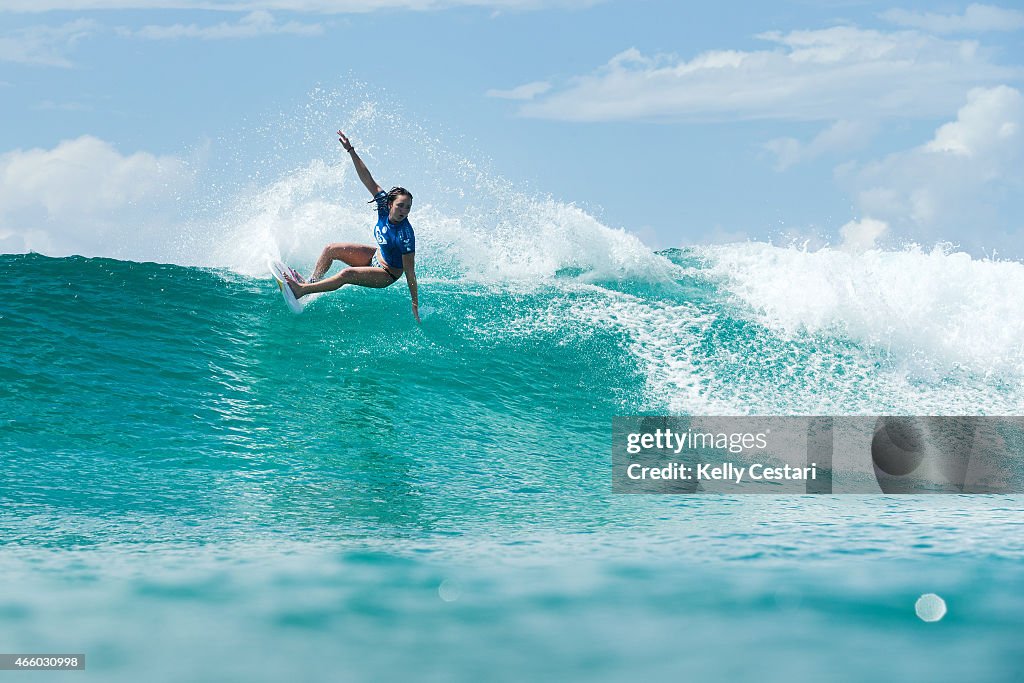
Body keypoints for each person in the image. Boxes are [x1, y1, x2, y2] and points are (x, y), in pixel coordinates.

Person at [284, 130, 420, 323]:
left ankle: (301, 290)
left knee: (346, 274)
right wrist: (351, 150)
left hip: (386, 274)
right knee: (331, 249)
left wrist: (415, 302)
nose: (404, 211)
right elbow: (367, 177)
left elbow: (410, 271)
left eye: (408, 207)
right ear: (390, 204)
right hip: (375, 257)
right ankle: (311, 283)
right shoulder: (382, 204)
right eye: (401, 205)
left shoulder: (406, 235)